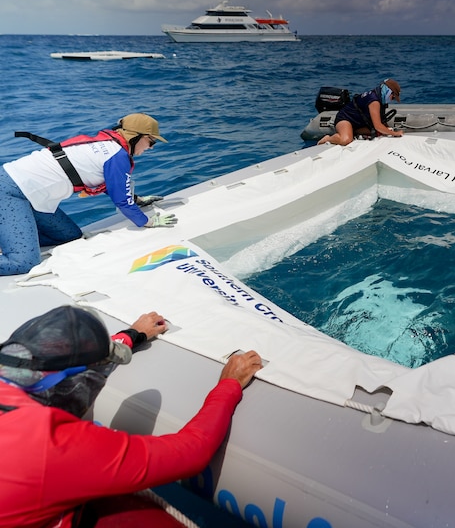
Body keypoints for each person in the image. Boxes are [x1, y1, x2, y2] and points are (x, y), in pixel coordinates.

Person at [0, 305, 263, 527]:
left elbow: (58, 365)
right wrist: (229, 385)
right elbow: (192, 451)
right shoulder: (53, 443)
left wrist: (132, 335)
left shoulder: (16, 372)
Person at [0, 113, 178, 277]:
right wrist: (148, 222)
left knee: (69, 236)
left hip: (28, 195)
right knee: (24, 263)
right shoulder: (118, 156)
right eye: (151, 141)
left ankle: (10, 237)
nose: (151, 147)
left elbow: (113, 186)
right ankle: (14, 242)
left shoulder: (107, 145)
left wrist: (136, 200)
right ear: (136, 136)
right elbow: (122, 200)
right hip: (10, 192)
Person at [317, 79, 404, 146]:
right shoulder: (374, 101)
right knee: (346, 140)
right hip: (345, 119)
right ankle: (328, 138)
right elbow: (378, 126)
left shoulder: (379, 99)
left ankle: (353, 131)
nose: (392, 100)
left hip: (358, 123)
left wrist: (387, 129)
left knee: (378, 133)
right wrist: (394, 133)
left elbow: (380, 121)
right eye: (393, 97)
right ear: (388, 92)